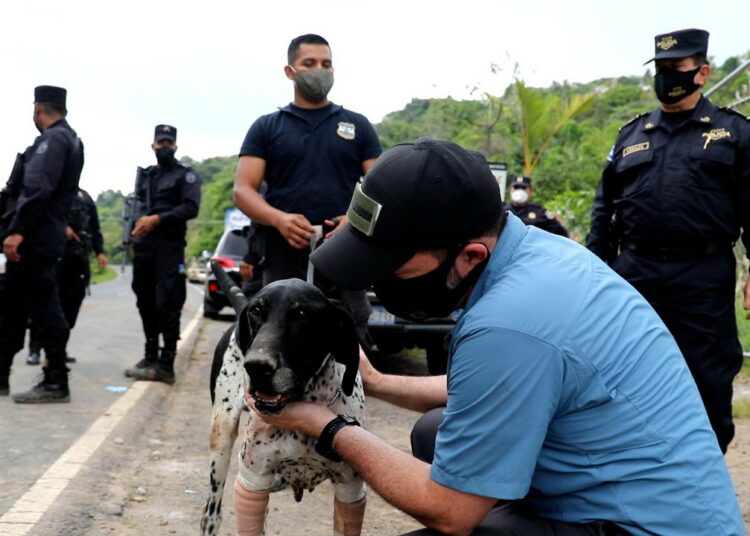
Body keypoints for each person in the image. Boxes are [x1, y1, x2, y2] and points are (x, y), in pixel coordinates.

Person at [242, 138, 742, 535]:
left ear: (469, 256)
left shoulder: (509, 323)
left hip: (643, 527)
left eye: (391, 265)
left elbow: (450, 510)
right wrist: (376, 382)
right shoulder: (536, 254)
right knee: (434, 432)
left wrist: (327, 426)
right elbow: (496, 388)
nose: (377, 281)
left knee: (450, 505)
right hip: (651, 493)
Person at [586, 28, 750, 454]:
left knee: (707, 377)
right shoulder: (631, 135)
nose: (665, 76)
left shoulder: (733, 134)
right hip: (635, 273)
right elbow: (604, 214)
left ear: (702, 72)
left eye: (675, 68)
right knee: (625, 372)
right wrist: (591, 275)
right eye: (660, 68)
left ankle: (704, 474)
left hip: (703, 275)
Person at [232, 33, 382, 348]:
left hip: (344, 253)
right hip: (282, 254)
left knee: (349, 341)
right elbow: (243, 191)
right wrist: (279, 220)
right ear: (290, 71)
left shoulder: (358, 126)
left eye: (326, 64)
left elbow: (383, 187)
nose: (319, 70)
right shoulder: (267, 127)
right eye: (309, 63)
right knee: (280, 343)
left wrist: (353, 220)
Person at [0, 85, 84, 403]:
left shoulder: (55, 139)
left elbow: (38, 189)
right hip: (39, 238)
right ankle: (2, 376)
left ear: (38, 109)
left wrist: (17, 231)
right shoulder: (67, 139)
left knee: (45, 310)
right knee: (10, 307)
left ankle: (56, 381)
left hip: (34, 240)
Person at [124, 125, 201, 384]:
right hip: (144, 249)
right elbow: (136, 207)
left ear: (175, 146)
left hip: (169, 248)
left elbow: (191, 208)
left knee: (167, 304)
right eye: (160, 143)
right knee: (145, 303)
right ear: (153, 146)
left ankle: (166, 364)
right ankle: (149, 357)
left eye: (169, 143)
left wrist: (156, 219)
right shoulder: (145, 177)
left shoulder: (185, 175)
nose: (164, 147)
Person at [27, 187, 108, 365]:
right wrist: (61, 227)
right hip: (54, 257)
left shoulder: (85, 197)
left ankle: (58, 350)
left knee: (71, 304)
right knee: (46, 303)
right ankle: (35, 349)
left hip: (79, 258)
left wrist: (100, 251)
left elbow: (94, 226)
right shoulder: (50, 193)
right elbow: (36, 217)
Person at [504, 175, 569, 236]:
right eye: (516, 187)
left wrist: (559, 223)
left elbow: (560, 233)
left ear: (530, 191)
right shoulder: (502, 211)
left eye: (523, 188)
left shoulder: (540, 212)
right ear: (510, 190)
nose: (519, 191)